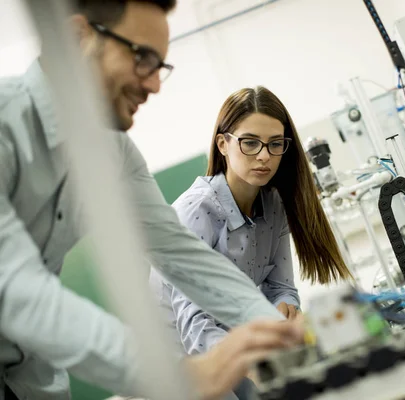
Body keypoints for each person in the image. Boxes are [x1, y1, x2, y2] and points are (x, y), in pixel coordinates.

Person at [0, 1, 303, 399]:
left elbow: (182, 254)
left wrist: (276, 337)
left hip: (33, 380)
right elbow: (13, 288)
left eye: (159, 66)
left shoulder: (115, 152)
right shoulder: (7, 124)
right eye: (142, 57)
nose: (155, 85)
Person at [149, 87, 352, 397]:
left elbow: (281, 288)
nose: (264, 156)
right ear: (223, 144)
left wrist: (285, 311)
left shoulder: (273, 205)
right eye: (250, 143)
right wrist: (256, 361)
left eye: (275, 145)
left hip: (237, 344)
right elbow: (195, 325)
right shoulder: (195, 213)